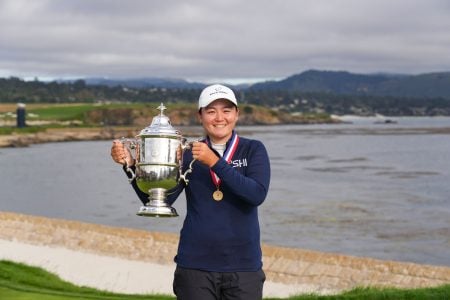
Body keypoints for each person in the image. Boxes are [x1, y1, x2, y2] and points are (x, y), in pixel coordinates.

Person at [111, 84, 271, 300]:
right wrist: (130, 165)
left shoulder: (253, 149)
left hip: (243, 266)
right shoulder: (188, 153)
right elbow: (162, 199)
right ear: (201, 115)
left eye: (226, 110)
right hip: (195, 266)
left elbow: (256, 195)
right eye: (211, 111)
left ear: (237, 114)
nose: (219, 117)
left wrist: (214, 162)